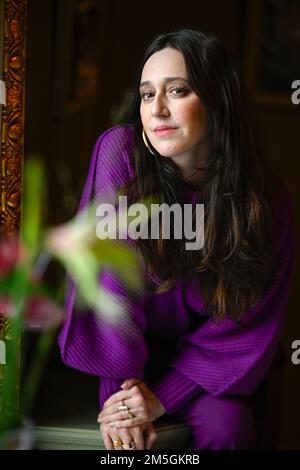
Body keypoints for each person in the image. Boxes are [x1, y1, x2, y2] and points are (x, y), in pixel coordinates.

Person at [58, 29, 295, 450]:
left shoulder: (266, 200)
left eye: (178, 91)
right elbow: (110, 282)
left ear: (218, 100)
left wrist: (162, 398)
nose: (158, 109)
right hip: (125, 359)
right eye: (147, 95)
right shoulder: (122, 154)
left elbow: (245, 319)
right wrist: (122, 401)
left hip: (210, 366)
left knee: (230, 430)